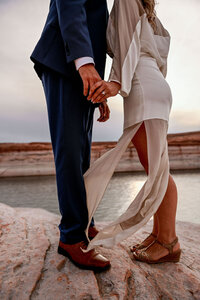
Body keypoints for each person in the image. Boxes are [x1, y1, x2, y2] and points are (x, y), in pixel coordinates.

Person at [83, 0, 182, 264]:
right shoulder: (149, 11)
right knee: (156, 166)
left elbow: (126, 42)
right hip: (155, 83)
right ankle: (158, 234)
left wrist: (116, 82)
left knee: (157, 169)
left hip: (142, 83)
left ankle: (169, 242)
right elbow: (160, 52)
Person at [30, 0, 111, 271]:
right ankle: (72, 237)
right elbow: (70, 6)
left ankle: (84, 223)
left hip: (78, 67)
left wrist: (96, 81)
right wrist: (85, 64)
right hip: (65, 61)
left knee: (82, 151)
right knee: (70, 149)